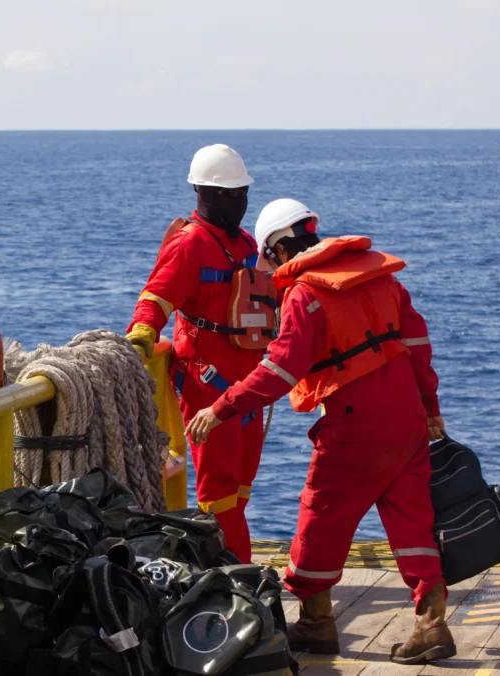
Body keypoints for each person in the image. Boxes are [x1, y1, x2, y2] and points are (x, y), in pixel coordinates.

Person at [186, 198, 455, 665]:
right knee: (412, 522)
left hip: (354, 426)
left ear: (279, 249)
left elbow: (279, 370)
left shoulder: (306, 294)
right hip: (408, 418)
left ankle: (315, 622)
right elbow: (417, 344)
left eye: (269, 260)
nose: (270, 271)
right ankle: (432, 622)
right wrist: (430, 409)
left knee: (320, 519)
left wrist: (221, 408)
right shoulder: (382, 277)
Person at [126, 144, 273, 564]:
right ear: (203, 193)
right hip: (209, 385)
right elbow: (156, 296)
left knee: (240, 486)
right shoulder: (189, 244)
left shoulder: (246, 243)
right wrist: (143, 332)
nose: (237, 201)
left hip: (248, 387)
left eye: (241, 193)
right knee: (219, 490)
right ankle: (229, 570)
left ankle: (236, 565)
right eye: (228, 194)